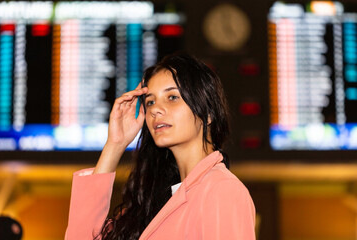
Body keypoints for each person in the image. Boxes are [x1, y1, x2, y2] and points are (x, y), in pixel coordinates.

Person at [65, 53, 256, 240]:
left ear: (208, 114)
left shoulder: (222, 191)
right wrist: (115, 145)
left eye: (172, 97)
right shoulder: (156, 202)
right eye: (150, 102)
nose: (155, 109)